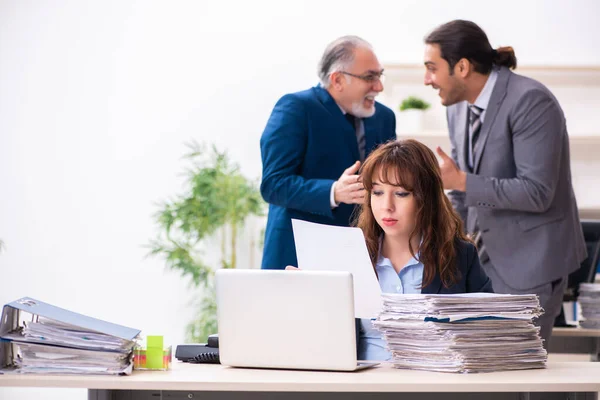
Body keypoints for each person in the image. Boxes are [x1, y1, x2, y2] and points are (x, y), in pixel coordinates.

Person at [423, 20, 587, 347]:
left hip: (531, 265)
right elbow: (461, 189)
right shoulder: (456, 107)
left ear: (463, 67)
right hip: (480, 263)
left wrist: (462, 181)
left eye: (432, 68)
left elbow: (537, 192)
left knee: (518, 374)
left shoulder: (531, 100)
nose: (427, 80)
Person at [260, 36, 396, 270]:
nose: (379, 86)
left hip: (363, 255)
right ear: (338, 79)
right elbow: (273, 184)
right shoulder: (295, 108)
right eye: (369, 77)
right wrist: (334, 192)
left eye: (379, 75)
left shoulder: (384, 117)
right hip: (296, 255)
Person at [353, 139, 493, 360]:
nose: (386, 206)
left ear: (426, 198)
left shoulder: (460, 256)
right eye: (377, 192)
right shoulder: (351, 255)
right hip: (361, 388)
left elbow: (490, 332)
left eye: (401, 193)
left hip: (433, 387)